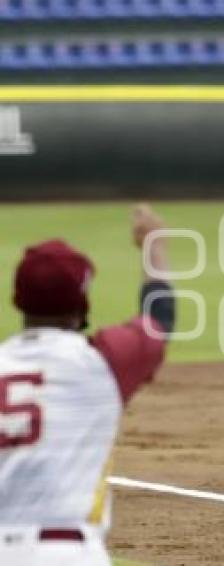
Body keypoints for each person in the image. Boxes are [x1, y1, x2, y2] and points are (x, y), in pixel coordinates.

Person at [0, 204, 175, 566]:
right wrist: (153, 246)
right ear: (83, 301)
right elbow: (159, 319)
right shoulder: (104, 361)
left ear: (18, 299)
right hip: (71, 553)